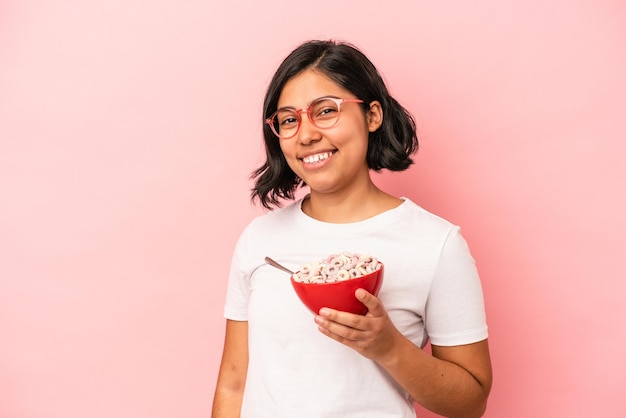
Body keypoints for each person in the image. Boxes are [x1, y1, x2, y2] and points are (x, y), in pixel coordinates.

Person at [211, 39, 492, 418]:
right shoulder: (259, 241)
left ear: (372, 115)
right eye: (289, 119)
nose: (306, 134)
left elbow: (471, 402)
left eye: (326, 111)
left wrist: (388, 347)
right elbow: (233, 381)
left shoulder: (436, 245)